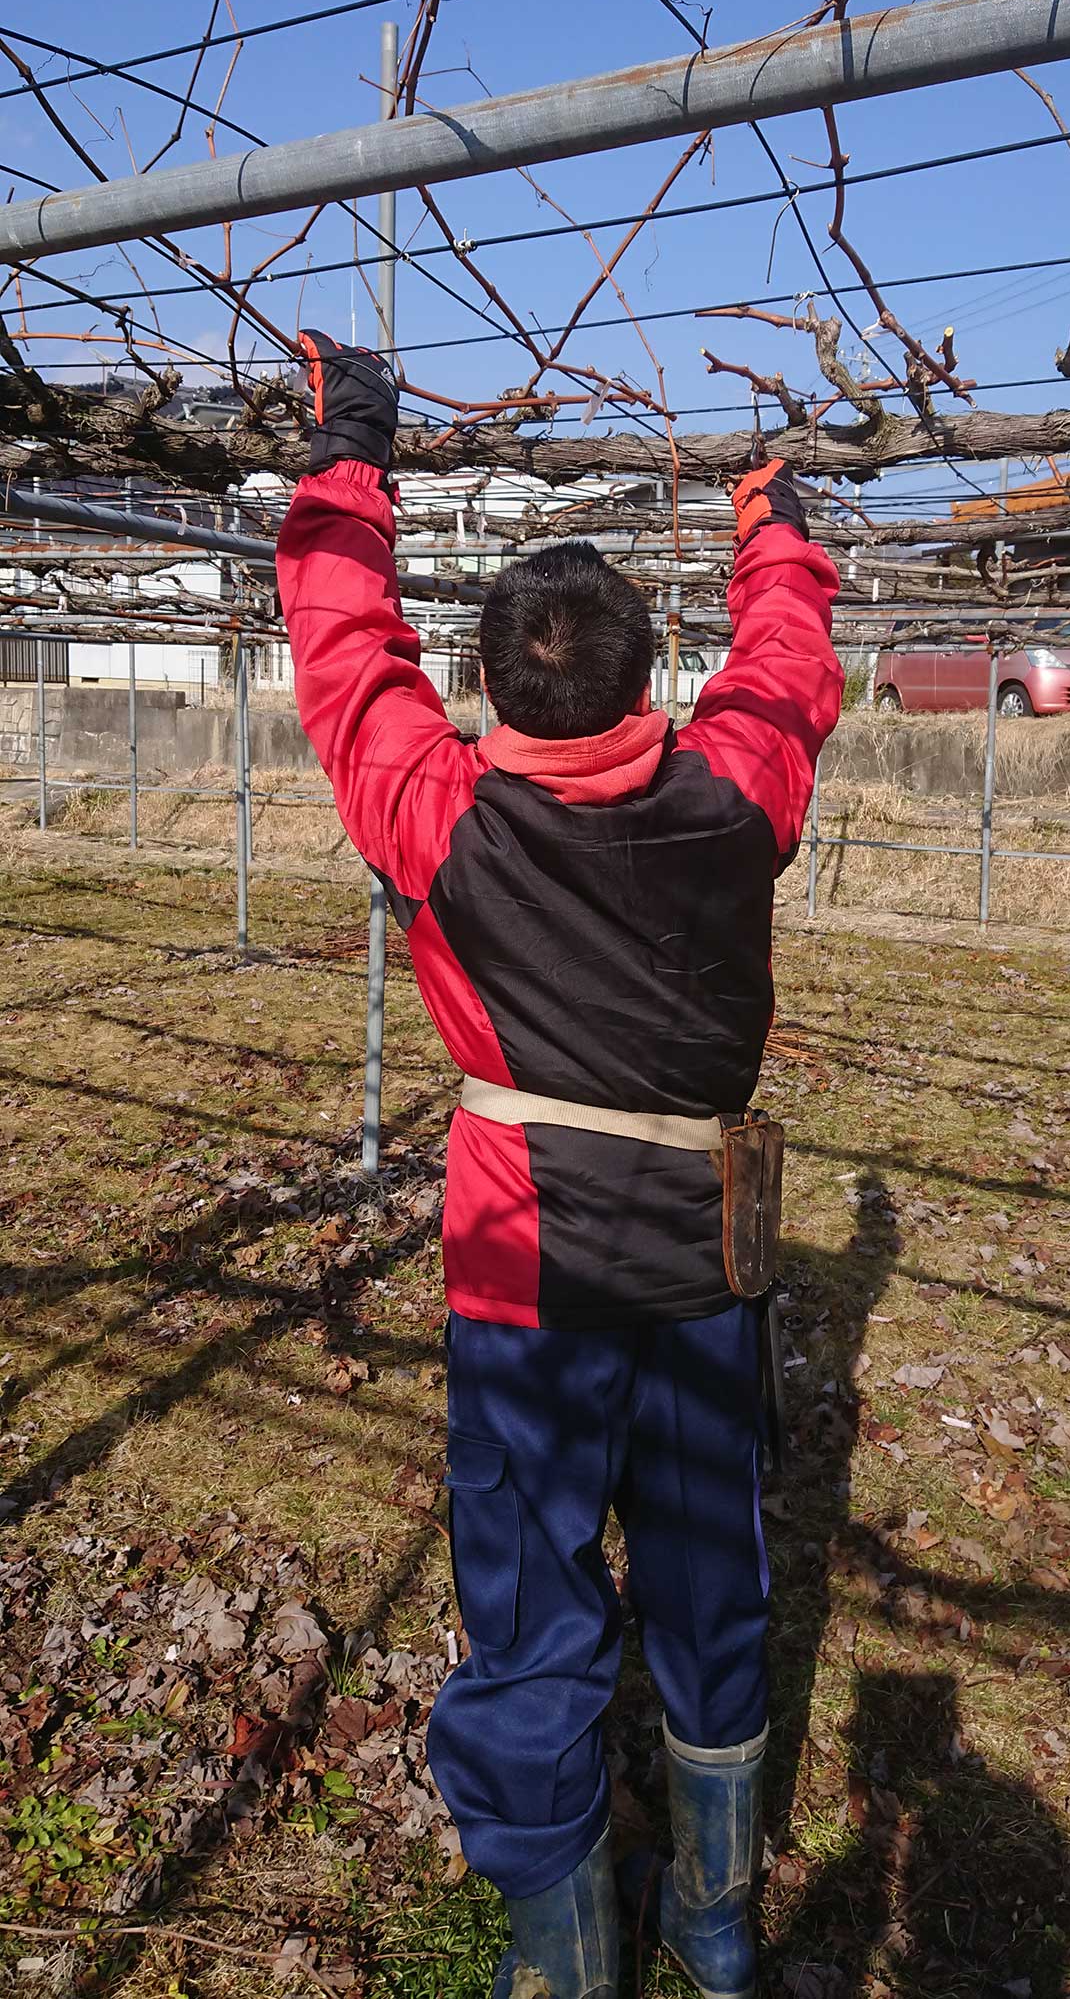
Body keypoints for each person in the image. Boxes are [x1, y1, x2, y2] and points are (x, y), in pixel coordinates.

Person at [277, 332, 843, 1999]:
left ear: (485, 686)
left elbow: (336, 640)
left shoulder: (437, 812)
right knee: (709, 1568)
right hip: (701, 1259)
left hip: (523, 1264)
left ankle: (564, 1953)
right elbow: (791, 663)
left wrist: (354, 440)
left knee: (531, 1602)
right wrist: (774, 522)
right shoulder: (736, 794)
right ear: (654, 678)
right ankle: (719, 1926)